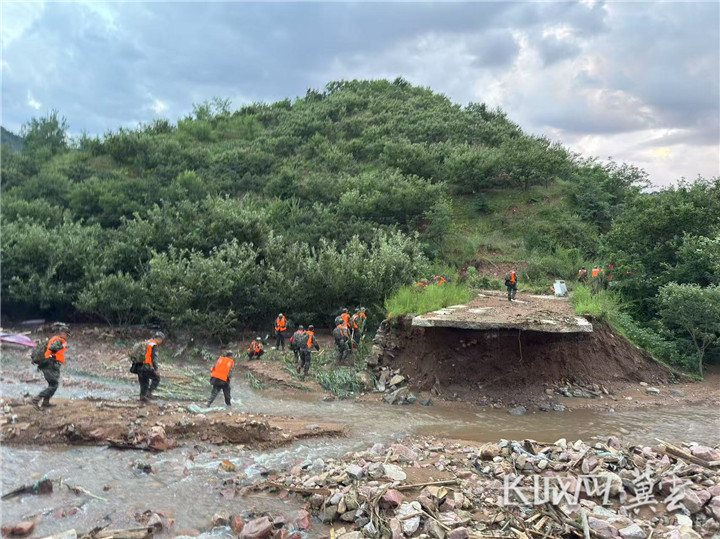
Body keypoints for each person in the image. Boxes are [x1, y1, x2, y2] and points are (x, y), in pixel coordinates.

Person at [31, 325, 69, 410]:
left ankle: (46, 402)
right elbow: (52, 348)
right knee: (54, 385)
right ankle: (36, 399)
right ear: (63, 333)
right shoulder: (57, 341)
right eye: (66, 334)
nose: (67, 336)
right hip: (48, 365)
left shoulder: (55, 339)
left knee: (52, 384)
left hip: (50, 364)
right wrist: (62, 346)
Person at [138, 331, 164, 403]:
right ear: (160, 339)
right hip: (146, 366)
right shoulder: (154, 345)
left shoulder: (147, 342)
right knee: (157, 378)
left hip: (139, 365)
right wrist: (156, 369)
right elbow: (154, 359)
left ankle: (142, 396)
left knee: (143, 381)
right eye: (162, 340)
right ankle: (148, 393)